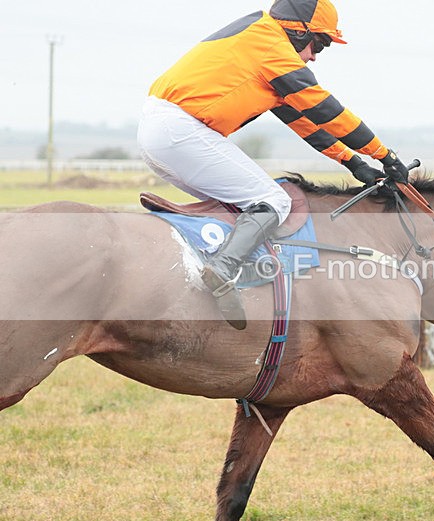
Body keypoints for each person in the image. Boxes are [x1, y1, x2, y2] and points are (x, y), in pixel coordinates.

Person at [138, 0, 409, 329]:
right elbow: (325, 109)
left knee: (244, 204)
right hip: (179, 131)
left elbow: (303, 120)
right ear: (298, 30)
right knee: (273, 201)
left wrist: (353, 161)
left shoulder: (263, 44)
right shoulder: (270, 43)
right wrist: (384, 154)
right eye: (319, 45)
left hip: (164, 131)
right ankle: (223, 269)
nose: (313, 56)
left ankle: (221, 274)